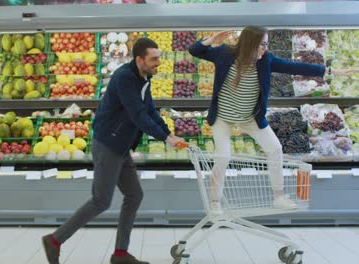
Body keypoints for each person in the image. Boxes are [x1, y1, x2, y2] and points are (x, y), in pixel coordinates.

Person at [42, 38, 184, 264]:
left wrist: (169, 133)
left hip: (121, 145)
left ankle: (120, 254)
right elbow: (139, 116)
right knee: (101, 201)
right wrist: (166, 138)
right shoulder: (125, 78)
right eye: (154, 58)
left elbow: (150, 111)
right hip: (108, 145)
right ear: (139, 60)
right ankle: (55, 240)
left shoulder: (143, 78)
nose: (159, 62)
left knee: (134, 195)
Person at [188, 26, 357, 214]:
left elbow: (294, 66)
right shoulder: (224, 54)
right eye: (262, 44)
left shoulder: (266, 60)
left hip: (250, 117)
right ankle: (215, 202)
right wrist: (211, 39)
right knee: (223, 156)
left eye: (266, 44)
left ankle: (278, 197)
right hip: (223, 117)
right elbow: (195, 50)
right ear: (248, 44)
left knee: (275, 148)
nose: (265, 49)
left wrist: (331, 70)